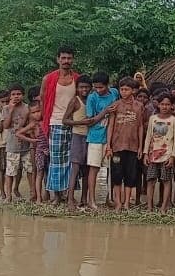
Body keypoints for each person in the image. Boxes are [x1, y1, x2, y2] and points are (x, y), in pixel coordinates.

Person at [40, 46, 79, 203]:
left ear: (73, 60)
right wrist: (45, 122)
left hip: (74, 123)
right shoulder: (48, 79)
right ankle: (56, 196)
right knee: (56, 161)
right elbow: (43, 100)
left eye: (69, 58)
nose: (66, 61)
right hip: (55, 122)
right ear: (58, 59)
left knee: (72, 161)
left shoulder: (77, 78)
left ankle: (69, 195)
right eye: (63, 58)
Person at [104, 77, 147, 211]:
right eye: (121, 89)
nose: (124, 92)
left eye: (126, 89)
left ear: (133, 90)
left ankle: (127, 203)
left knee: (131, 175)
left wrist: (140, 147)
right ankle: (118, 203)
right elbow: (110, 126)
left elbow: (140, 126)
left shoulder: (139, 106)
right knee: (117, 175)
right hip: (117, 147)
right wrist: (108, 146)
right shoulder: (115, 105)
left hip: (133, 147)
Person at [83, 73, 117, 210]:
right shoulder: (92, 98)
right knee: (94, 168)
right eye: (95, 87)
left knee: (111, 168)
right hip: (95, 138)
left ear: (107, 85)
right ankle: (91, 200)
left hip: (110, 137)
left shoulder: (114, 93)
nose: (98, 90)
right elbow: (90, 121)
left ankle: (110, 198)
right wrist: (105, 111)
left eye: (101, 87)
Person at [143, 94, 175, 212]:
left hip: (167, 155)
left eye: (168, 104)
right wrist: (145, 153)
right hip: (152, 154)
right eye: (163, 104)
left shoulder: (174, 120)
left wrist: (173, 156)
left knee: (166, 180)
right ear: (158, 105)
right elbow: (148, 136)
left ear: (171, 106)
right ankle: (149, 206)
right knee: (150, 180)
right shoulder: (153, 119)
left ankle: (164, 207)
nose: (165, 107)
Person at [62, 75, 93, 207]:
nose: (84, 89)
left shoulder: (92, 99)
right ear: (77, 88)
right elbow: (65, 120)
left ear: (90, 88)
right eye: (81, 87)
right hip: (77, 136)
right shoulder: (75, 101)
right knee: (74, 168)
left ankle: (84, 199)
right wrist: (81, 122)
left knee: (87, 169)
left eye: (86, 87)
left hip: (90, 138)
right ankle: (70, 199)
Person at [1, 84, 31, 202]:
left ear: (23, 95)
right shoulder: (6, 109)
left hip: (26, 145)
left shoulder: (27, 108)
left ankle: (32, 194)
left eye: (18, 94)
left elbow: (31, 124)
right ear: (10, 96)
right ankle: (9, 196)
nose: (16, 96)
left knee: (30, 170)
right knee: (10, 172)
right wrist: (11, 110)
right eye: (13, 94)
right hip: (12, 146)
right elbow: (6, 126)